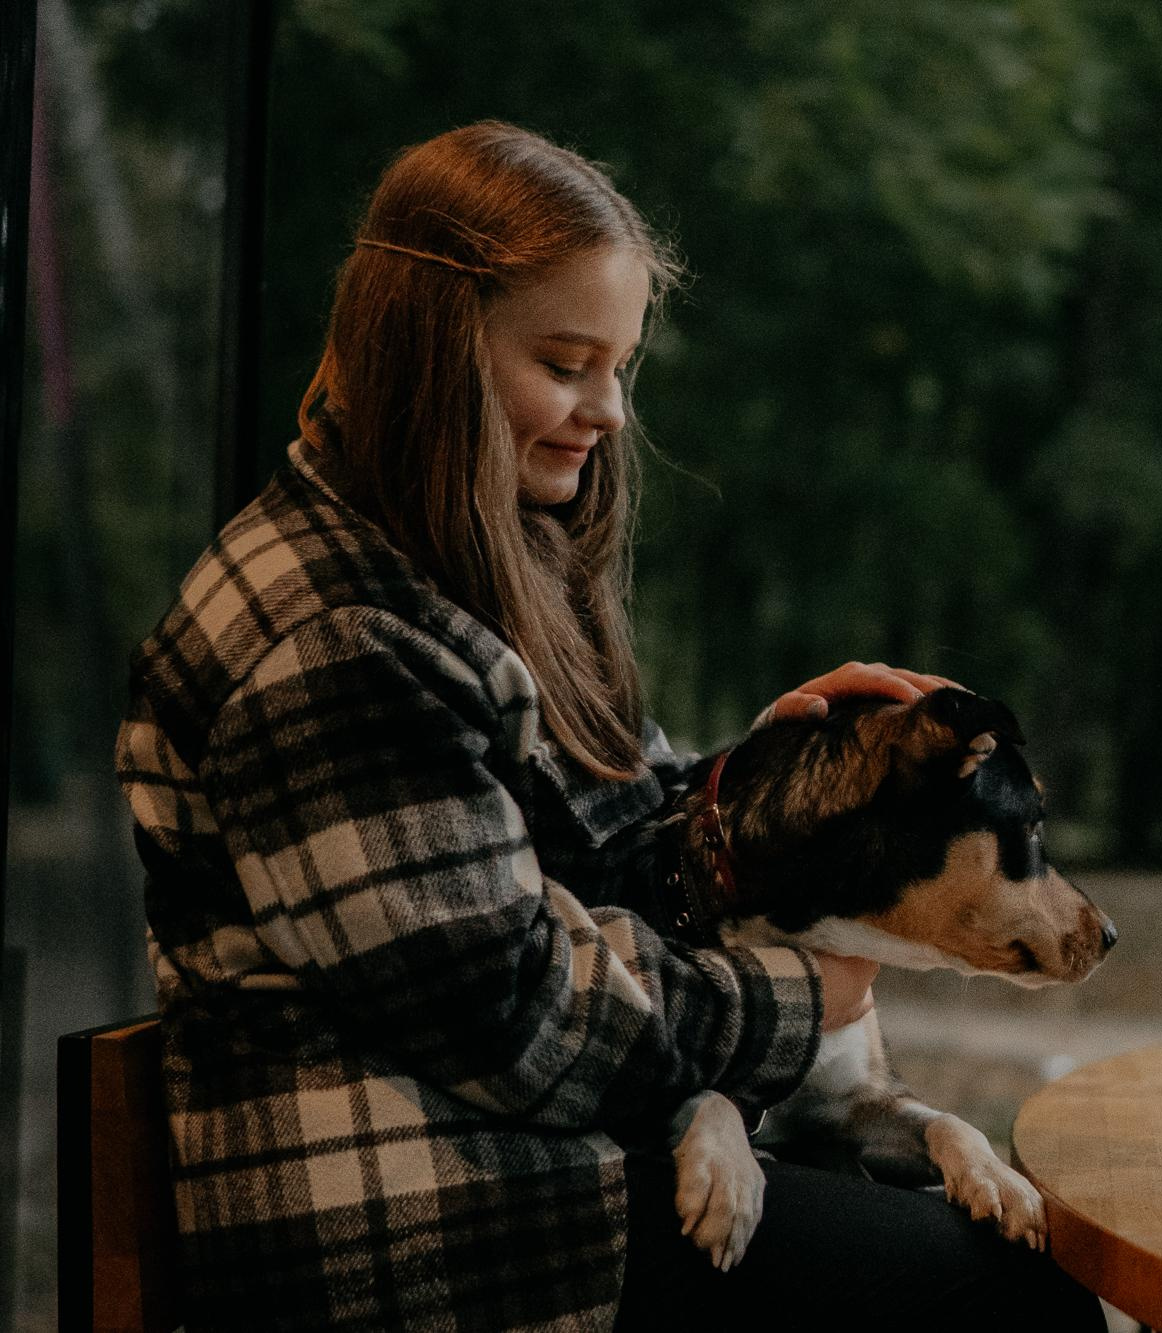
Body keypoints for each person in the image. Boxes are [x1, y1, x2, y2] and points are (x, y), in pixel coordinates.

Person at [115, 121, 1104, 1332]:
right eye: (566, 363)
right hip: (430, 1228)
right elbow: (509, 1014)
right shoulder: (333, 639)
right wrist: (806, 997)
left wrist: (773, 786)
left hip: (543, 1161)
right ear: (425, 349)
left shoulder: (448, 563)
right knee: (1009, 1305)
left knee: (998, 1259)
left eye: (619, 366)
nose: (610, 411)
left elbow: (595, 831)